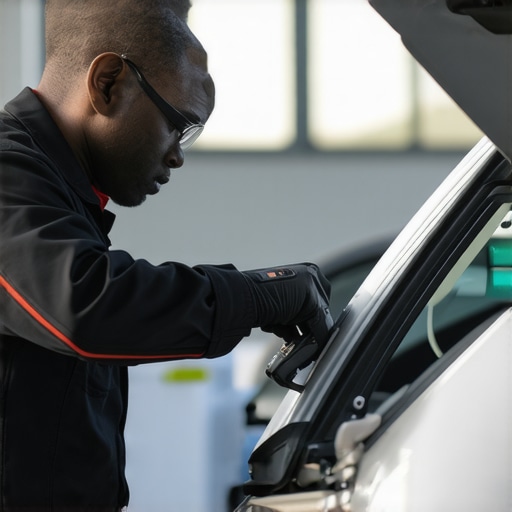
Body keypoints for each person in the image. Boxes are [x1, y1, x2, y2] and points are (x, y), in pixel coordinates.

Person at [0, 0, 333, 510]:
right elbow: (84, 306)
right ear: (108, 82)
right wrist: (258, 295)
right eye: (178, 124)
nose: (178, 154)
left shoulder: (58, 200)